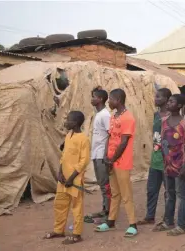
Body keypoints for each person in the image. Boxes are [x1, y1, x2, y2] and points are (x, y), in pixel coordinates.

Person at [95, 88, 138, 238]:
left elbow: (124, 142)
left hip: (122, 162)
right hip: (111, 160)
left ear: (118, 100)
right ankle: (111, 221)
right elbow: (110, 137)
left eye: (111, 99)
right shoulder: (113, 116)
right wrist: (107, 157)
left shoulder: (128, 118)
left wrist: (112, 159)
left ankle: (133, 224)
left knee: (126, 194)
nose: (109, 102)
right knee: (114, 193)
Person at [43, 111, 91, 245]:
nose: (65, 122)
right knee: (60, 204)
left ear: (75, 123)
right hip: (63, 180)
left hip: (74, 180)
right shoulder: (69, 135)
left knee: (77, 207)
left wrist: (71, 178)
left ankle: (76, 234)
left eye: (68, 120)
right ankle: (59, 230)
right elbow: (63, 157)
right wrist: (60, 173)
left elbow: (84, 161)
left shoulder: (83, 139)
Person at [153, 94, 185, 236]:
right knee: (169, 194)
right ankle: (168, 221)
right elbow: (161, 142)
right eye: (168, 100)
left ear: (179, 106)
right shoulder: (163, 121)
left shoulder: (184, 123)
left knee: (181, 195)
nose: (168, 103)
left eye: (171, 101)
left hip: (180, 165)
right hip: (167, 165)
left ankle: (182, 225)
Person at [137, 88, 172, 225]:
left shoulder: (172, 116)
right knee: (151, 190)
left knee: (169, 192)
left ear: (166, 99)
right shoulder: (156, 115)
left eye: (158, 97)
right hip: (156, 158)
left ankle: (167, 219)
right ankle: (150, 216)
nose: (155, 99)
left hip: (168, 160)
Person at [84, 87, 111, 224]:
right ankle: (105, 209)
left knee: (105, 184)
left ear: (100, 99)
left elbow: (110, 135)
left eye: (94, 96)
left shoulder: (105, 115)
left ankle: (109, 213)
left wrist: (106, 155)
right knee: (102, 183)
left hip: (102, 154)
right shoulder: (99, 114)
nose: (92, 99)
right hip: (96, 153)